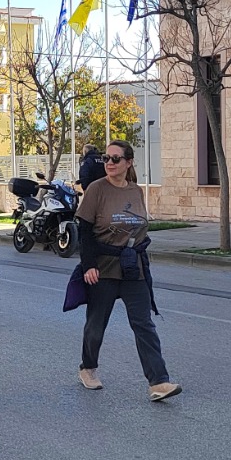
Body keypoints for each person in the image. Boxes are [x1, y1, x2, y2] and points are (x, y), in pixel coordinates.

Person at [75, 140, 181, 402]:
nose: (109, 163)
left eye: (115, 159)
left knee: (144, 324)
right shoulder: (97, 189)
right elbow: (84, 230)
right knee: (96, 324)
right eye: (106, 158)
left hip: (133, 268)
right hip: (104, 267)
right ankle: (88, 368)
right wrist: (89, 265)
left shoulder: (136, 191)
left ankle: (159, 382)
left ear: (129, 162)